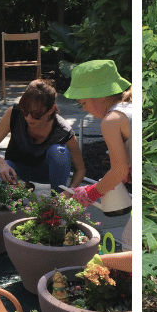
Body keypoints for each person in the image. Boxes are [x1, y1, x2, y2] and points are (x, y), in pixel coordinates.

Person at [63, 59, 133, 244]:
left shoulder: (111, 120)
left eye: (84, 103)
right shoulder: (129, 107)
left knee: (128, 243)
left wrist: (91, 193)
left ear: (100, 96)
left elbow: (118, 171)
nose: (84, 109)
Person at [0, 79, 85, 191]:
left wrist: (70, 191)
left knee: (59, 151)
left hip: (47, 174)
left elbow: (80, 169)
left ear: (51, 109)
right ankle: (22, 186)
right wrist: (1, 164)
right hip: (14, 169)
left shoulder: (63, 130)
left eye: (36, 114)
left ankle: (57, 198)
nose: (28, 118)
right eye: (25, 112)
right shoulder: (14, 113)